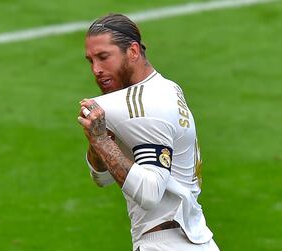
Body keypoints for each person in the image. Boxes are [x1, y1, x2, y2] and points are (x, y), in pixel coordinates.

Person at [77, 13, 220, 251]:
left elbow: (150, 192)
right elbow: (102, 177)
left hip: (165, 244)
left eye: (103, 57)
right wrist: (96, 140)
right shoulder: (165, 88)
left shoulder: (144, 106)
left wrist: (102, 140)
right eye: (90, 61)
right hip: (194, 240)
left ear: (132, 51)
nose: (96, 69)